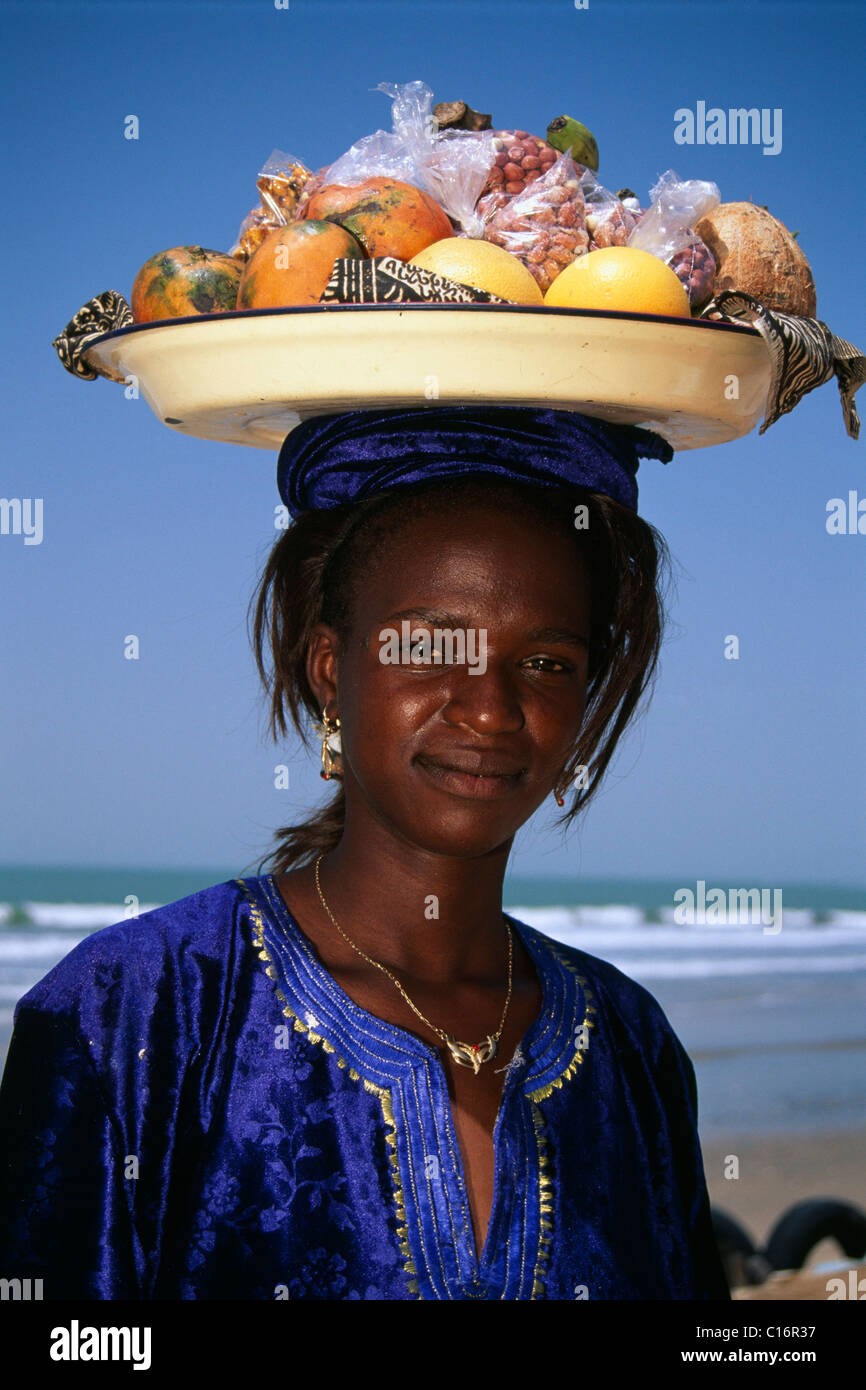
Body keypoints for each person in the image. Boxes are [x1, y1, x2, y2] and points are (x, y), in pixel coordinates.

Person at [0, 405, 729, 1301]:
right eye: (431, 647)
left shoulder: (628, 1045)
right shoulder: (138, 1012)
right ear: (328, 667)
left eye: (545, 663)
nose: (492, 709)